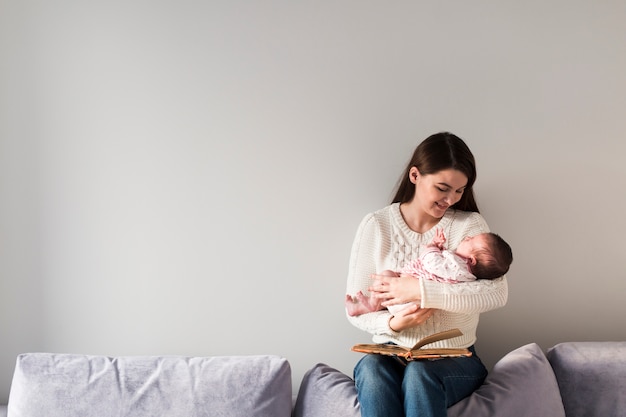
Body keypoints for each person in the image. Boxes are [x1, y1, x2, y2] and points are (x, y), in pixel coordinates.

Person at [345, 132, 509, 417]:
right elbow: (355, 310)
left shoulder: (468, 225)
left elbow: (496, 293)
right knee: (371, 369)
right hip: (390, 351)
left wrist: (418, 291)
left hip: (454, 357)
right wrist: (393, 324)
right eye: (443, 188)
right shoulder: (377, 225)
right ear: (415, 175)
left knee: (420, 375)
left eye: (459, 191)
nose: (451, 199)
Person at [345, 228, 512, 316]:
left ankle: (373, 304)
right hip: (408, 311)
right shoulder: (463, 270)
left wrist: (432, 247)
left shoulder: (457, 265)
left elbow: (432, 262)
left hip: (410, 303)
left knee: (387, 275)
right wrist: (392, 325)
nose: (467, 237)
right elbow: (442, 269)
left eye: (471, 240)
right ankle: (371, 305)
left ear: (472, 260)